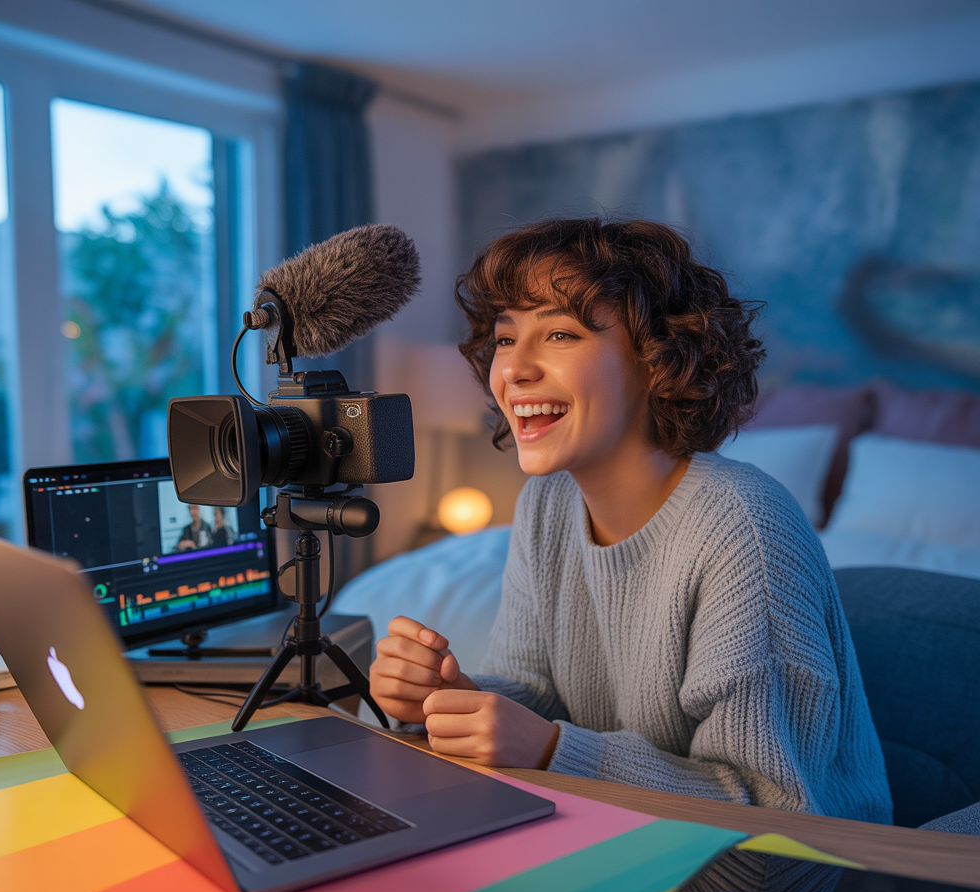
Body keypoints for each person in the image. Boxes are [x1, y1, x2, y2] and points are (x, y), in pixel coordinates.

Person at [369, 218, 892, 824]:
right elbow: (535, 692)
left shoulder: (744, 527)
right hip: (611, 834)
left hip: (781, 883)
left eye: (560, 334)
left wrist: (549, 751)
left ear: (657, 360)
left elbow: (777, 819)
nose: (513, 369)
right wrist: (448, 700)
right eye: (507, 338)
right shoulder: (547, 504)